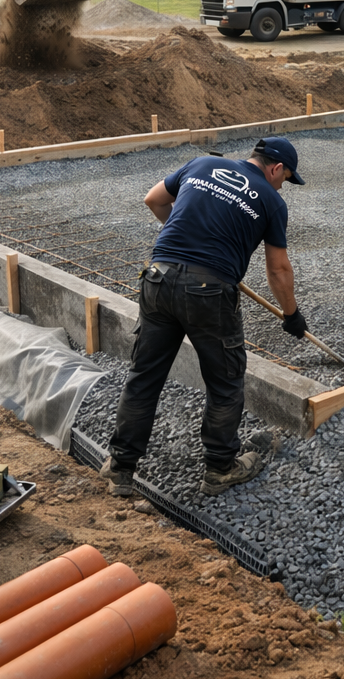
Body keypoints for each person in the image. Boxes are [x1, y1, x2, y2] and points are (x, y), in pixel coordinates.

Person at [101, 136, 307, 497]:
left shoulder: (200, 164)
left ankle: (120, 466)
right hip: (209, 292)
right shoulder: (272, 201)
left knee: (145, 375)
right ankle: (220, 468)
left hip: (158, 278)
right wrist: (291, 314)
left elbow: (153, 200)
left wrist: (179, 237)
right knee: (225, 381)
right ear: (276, 168)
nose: (282, 186)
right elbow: (278, 269)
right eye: (285, 178)